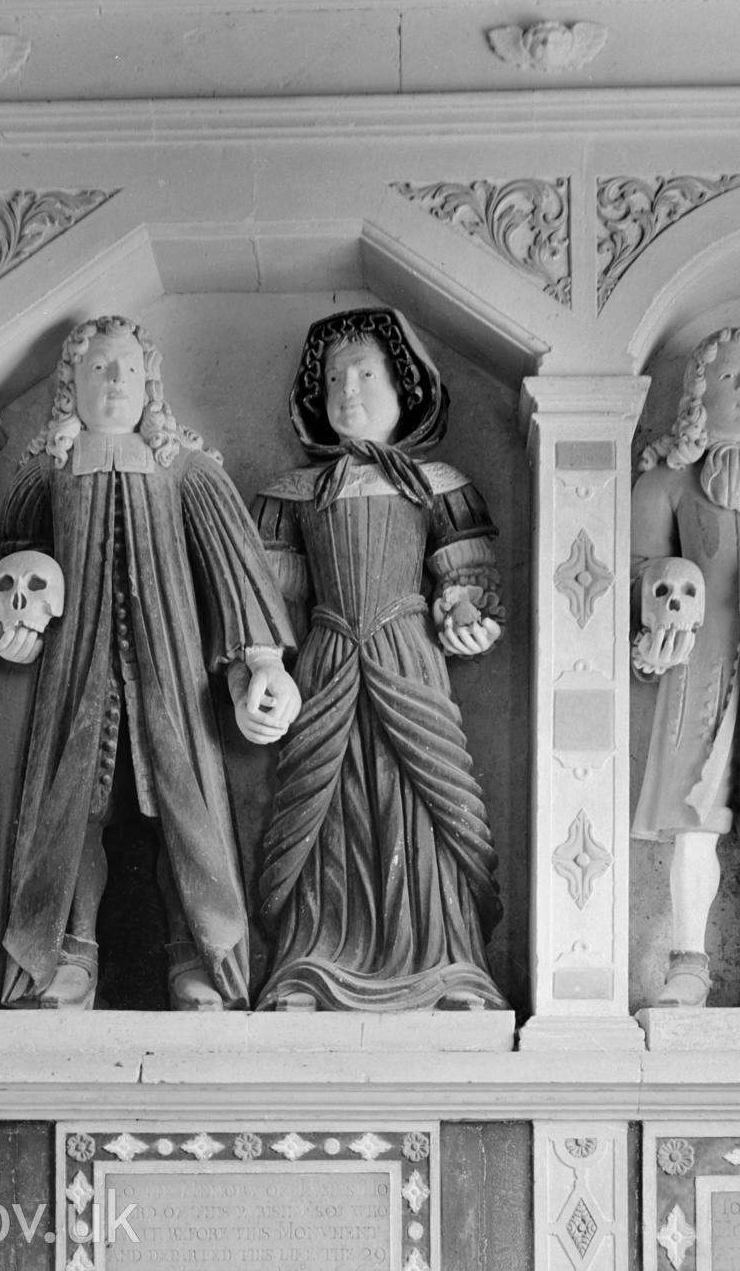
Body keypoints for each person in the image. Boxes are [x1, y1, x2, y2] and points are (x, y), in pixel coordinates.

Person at [0, 316, 300, 1011]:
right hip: (77, 671)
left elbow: (234, 564)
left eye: (128, 368)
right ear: (70, 381)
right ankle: (70, 952)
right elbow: (17, 558)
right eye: (98, 368)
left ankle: (201, 954)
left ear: (151, 383)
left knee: (181, 808)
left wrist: (261, 661)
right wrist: (20, 625)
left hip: (173, 669)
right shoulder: (48, 469)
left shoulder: (182, 467)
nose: (114, 381)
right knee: (76, 810)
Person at [251, 307, 506, 1011]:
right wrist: (264, 663)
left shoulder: (438, 483)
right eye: (334, 377)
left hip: (409, 656)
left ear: (408, 386)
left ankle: (448, 963)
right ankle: (310, 962)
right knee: (321, 805)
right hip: (328, 661)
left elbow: (468, 575)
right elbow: (267, 597)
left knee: (425, 798)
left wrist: (466, 616)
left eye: (366, 373)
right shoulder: (291, 493)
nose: (348, 391)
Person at [630, 328, 740, 1007]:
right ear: (699, 388)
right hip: (694, 672)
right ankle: (689, 964)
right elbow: (640, 571)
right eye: (730, 376)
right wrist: (658, 608)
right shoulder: (668, 479)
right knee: (694, 822)